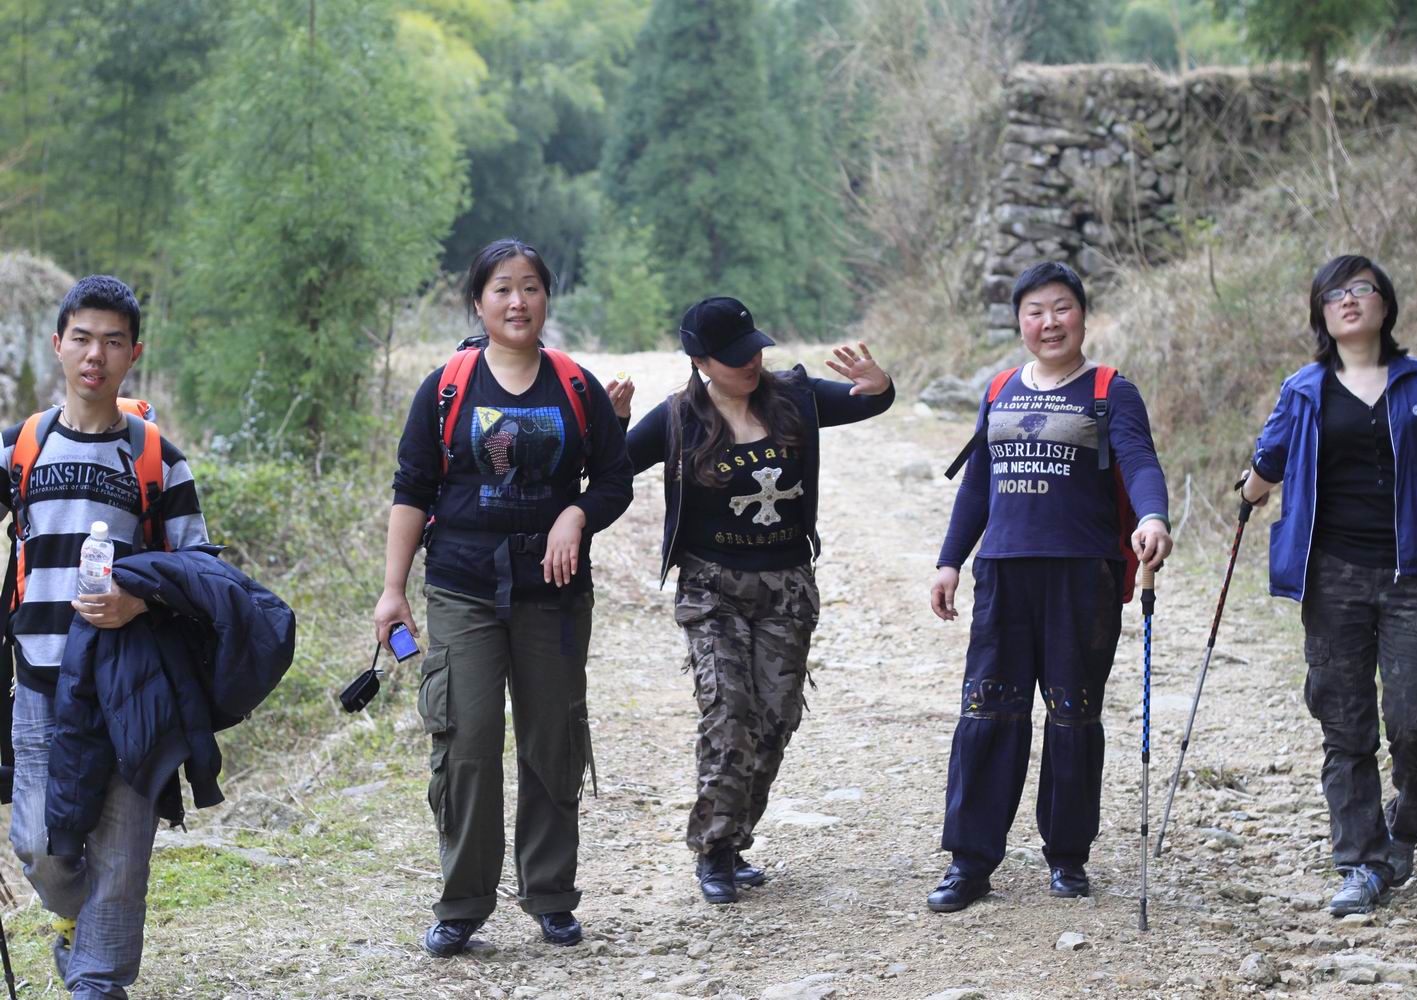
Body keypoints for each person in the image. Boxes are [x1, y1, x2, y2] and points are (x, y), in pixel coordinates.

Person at [373, 239, 633, 956]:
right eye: (501, 290)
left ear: (547, 299)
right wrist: (393, 590)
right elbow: (412, 490)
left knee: (552, 740)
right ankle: (461, 904)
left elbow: (615, 478)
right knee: (467, 739)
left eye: (530, 288)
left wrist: (576, 514)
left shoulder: (575, 388)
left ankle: (550, 895)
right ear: (479, 303)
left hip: (551, 594)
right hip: (461, 587)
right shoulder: (448, 387)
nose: (517, 302)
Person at [610, 296, 894, 903]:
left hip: (786, 584)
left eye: (756, 348)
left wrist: (880, 385)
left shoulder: (794, 397)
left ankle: (735, 838)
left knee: (774, 718)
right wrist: (608, 426)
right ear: (700, 360)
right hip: (712, 587)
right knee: (728, 711)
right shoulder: (679, 418)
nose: (752, 362)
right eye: (735, 356)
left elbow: (870, 400)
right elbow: (610, 468)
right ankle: (713, 850)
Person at [1239, 254, 1417, 917]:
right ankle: (1360, 862)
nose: (1350, 300)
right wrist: (1250, 489)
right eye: (1335, 293)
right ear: (1321, 312)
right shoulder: (1303, 390)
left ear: (1385, 304)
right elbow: (1266, 464)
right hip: (1333, 576)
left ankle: (1408, 823)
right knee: (1345, 724)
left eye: (1363, 289)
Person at [926, 261, 1171, 912]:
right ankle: (970, 862)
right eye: (1035, 311)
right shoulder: (1000, 388)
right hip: (1004, 571)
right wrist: (950, 560)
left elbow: (1141, 462)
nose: (1049, 322)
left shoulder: (1111, 390)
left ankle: (1068, 856)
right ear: (1019, 322)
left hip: (1082, 576)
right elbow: (978, 480)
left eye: (1062, 308)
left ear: (1083, 316)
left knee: (1072, 716)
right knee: (987, 713)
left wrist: (1152, 517)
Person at [2, 275, 210, 999]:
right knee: (38, 845)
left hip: (127, 684)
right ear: (58, 345)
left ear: (133, 355)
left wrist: (137, 600)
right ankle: (70, 920)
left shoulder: (157, 457)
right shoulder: (20, 447)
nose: (96, 354)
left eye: (112, 341)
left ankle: (98, 980)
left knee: (120, 856)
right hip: (37, 680)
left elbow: (200, 570)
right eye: (82, 338)